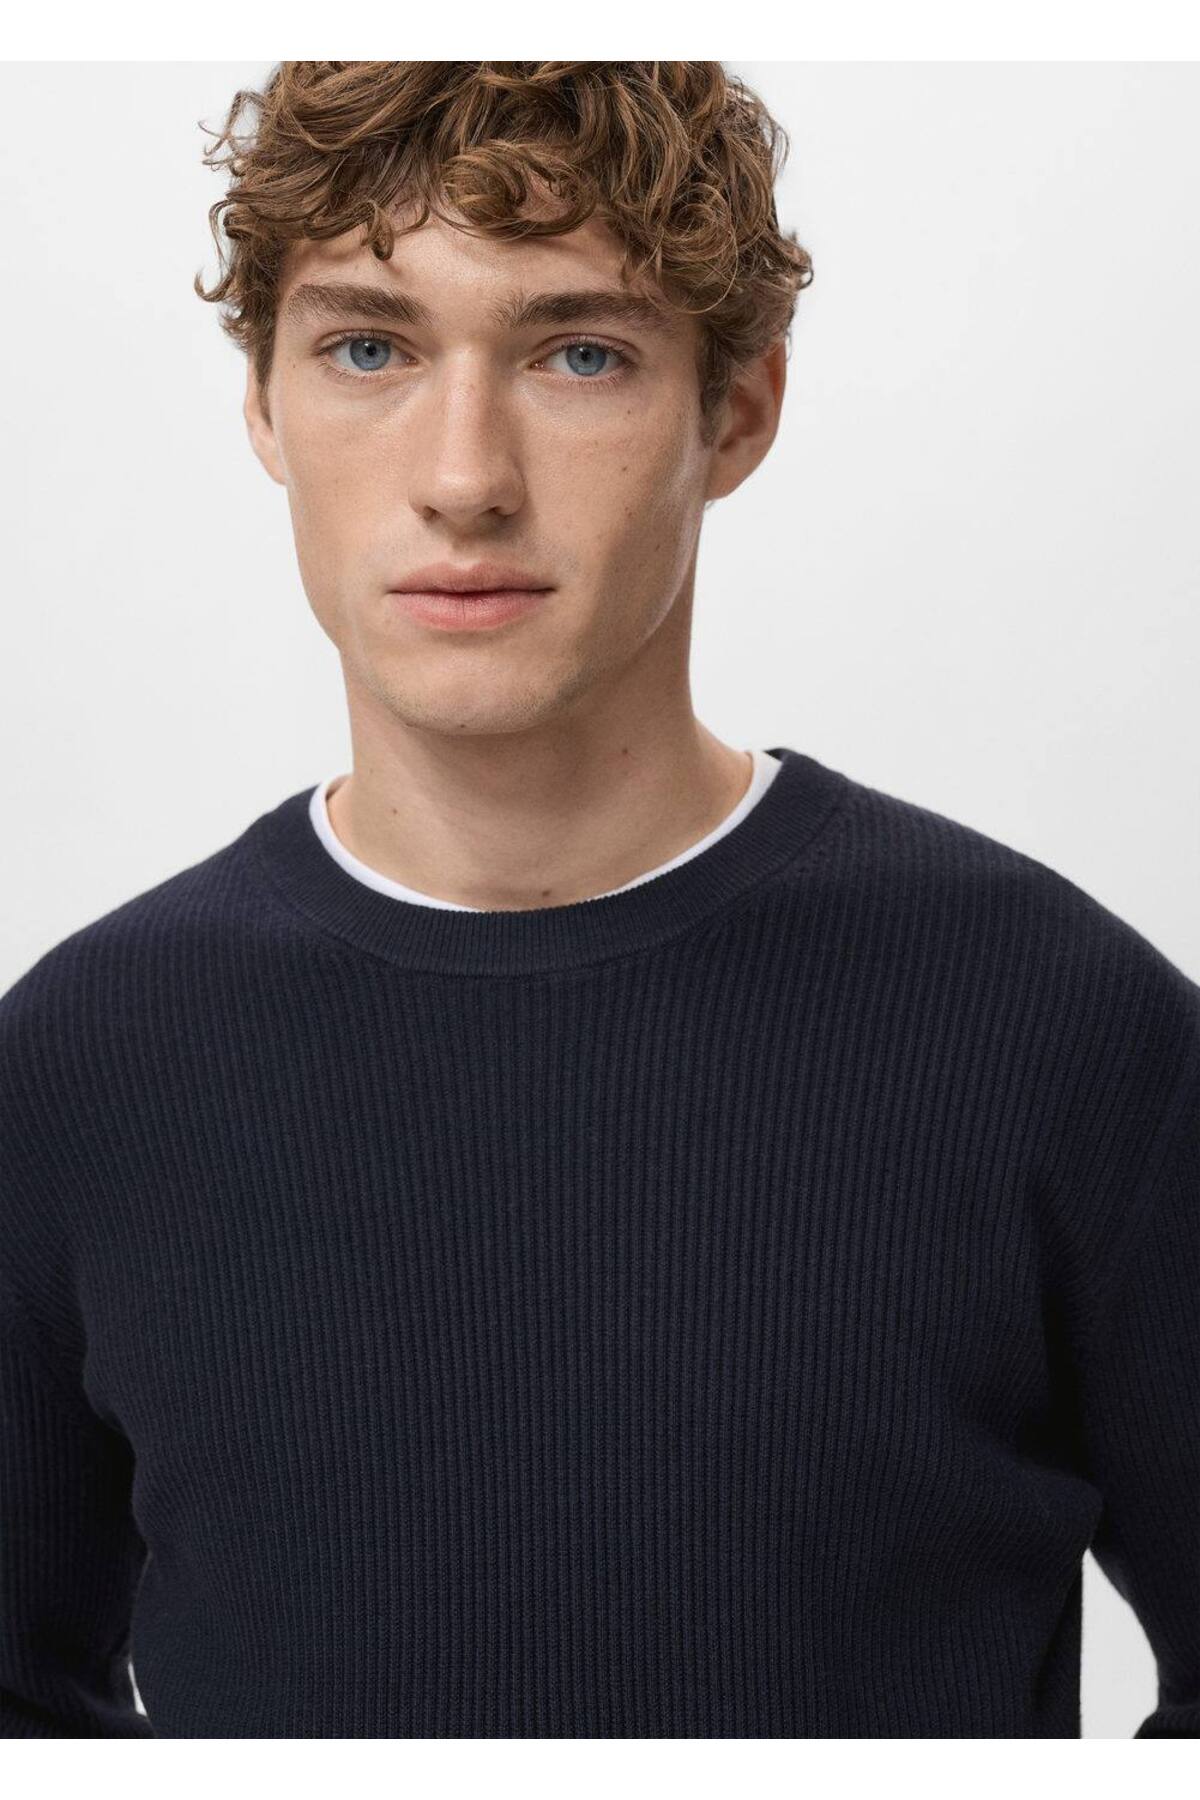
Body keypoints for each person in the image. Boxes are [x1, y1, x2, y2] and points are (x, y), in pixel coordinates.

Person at [1, 60, 1196, 1741]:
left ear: (740, 410)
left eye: (579, 354)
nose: (464, 478)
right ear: (264, 407)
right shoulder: (80, 1065)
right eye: (368, 349)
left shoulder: (1062, 1031)